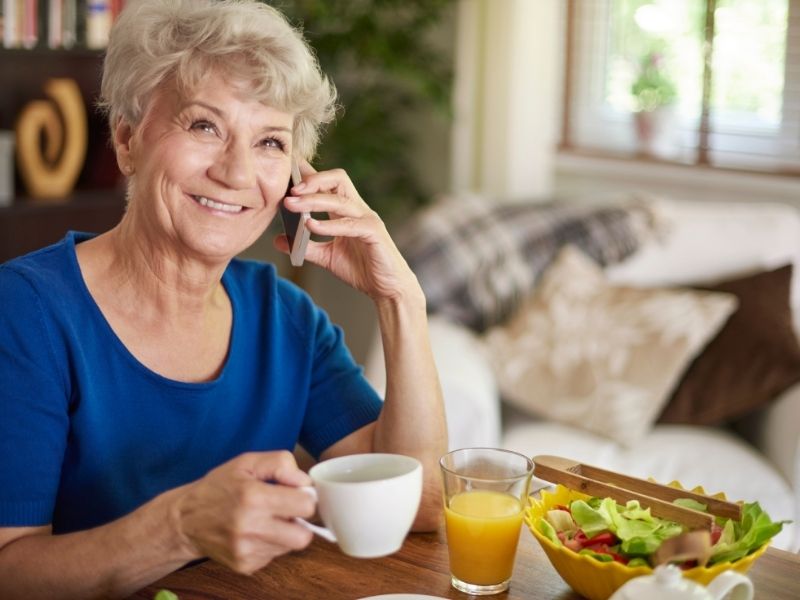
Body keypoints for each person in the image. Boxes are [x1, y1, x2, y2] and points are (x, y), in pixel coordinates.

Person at [0, 0, 447, 597]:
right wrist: (180, 527)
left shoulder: (286, 320)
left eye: (269, 142)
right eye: (204, 126)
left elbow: (416, 502)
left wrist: (401, 300)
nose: (237, 173)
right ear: (128, 140)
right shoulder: (24, 312)